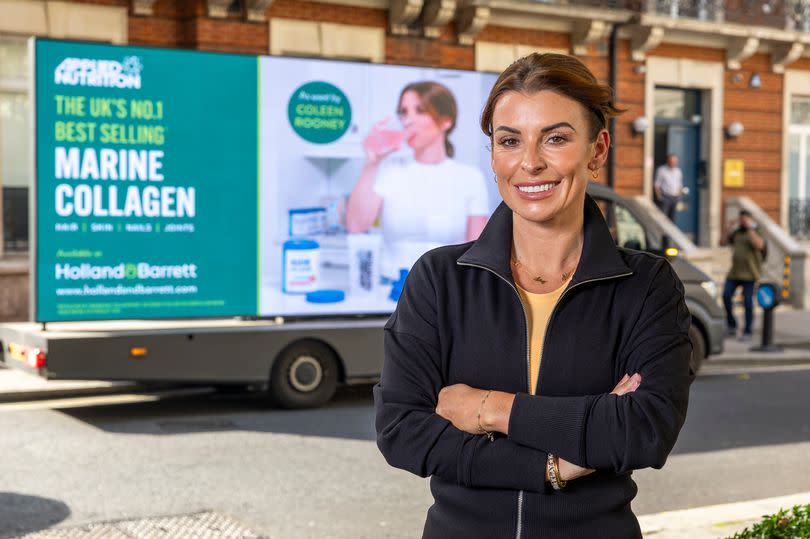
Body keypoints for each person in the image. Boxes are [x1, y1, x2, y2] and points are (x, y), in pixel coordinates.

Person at [374, 53, 693, 538]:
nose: (530, 162)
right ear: (494, 154)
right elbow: (402, 431)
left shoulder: (646, 286)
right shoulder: (439, 279)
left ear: (598, 148)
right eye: (509, 141)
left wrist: (489, 408)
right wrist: (554, 464)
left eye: (556, 138)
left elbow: (643, 431)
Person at [345, 81, 489, 281]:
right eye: (404, 112)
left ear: (445, 121)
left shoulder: (470, 178)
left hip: (447, 289)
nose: (407, 120)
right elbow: (355, 225)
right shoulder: (389, 170)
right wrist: (372, 163)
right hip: (392, 288)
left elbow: (477, 252)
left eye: (420, 111)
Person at [722, 209, 767, 341]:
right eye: (741, 219)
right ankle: (732, 325)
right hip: (734, 273)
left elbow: (759, 245)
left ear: (750, 219)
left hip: (750, 274)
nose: (742, 221)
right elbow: (722, 242)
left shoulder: (757, 231)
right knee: (726, 296)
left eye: (745, 219)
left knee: (747, 302)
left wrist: (750, 228)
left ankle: (748, 331)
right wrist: (727, 228)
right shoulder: (737, 233)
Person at [654, 153, 684, 222]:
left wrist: (679, 197)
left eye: (675, 161)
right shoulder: (661, 170)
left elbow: (680, 185)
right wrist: (660, 197)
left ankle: (671, 232)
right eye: (671, 161)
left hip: (675, 197)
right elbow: (657, 185)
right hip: (665, 197)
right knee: (663, 218)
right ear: (668, 161)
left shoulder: (678, 171)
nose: (673, 163)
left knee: (673, 219)